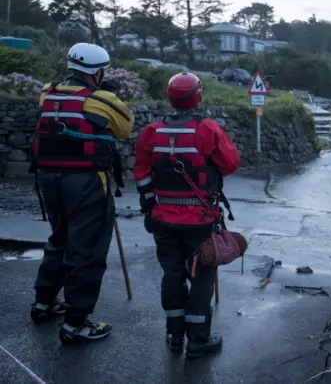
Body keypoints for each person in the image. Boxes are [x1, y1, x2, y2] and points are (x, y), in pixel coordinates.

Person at [30, 42, 134, 344]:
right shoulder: (101, 99)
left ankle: (44, 303)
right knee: (86, 249)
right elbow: (125, 127)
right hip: (86, 182)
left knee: (58, 239)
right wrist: (110, 96)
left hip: (48, 179)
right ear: (99, 71)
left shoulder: (47, 92)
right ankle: (76, 322)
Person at [133, 72, 241, 359]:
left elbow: (141, 174)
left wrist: (149, 206)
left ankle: (174, 336)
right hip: (201, 220)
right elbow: (231, 164)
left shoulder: (151, 132)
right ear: (198, 96)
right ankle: (198, 341)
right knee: (202, 275)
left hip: (162, 218)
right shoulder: (207, 129)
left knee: (172, 272)